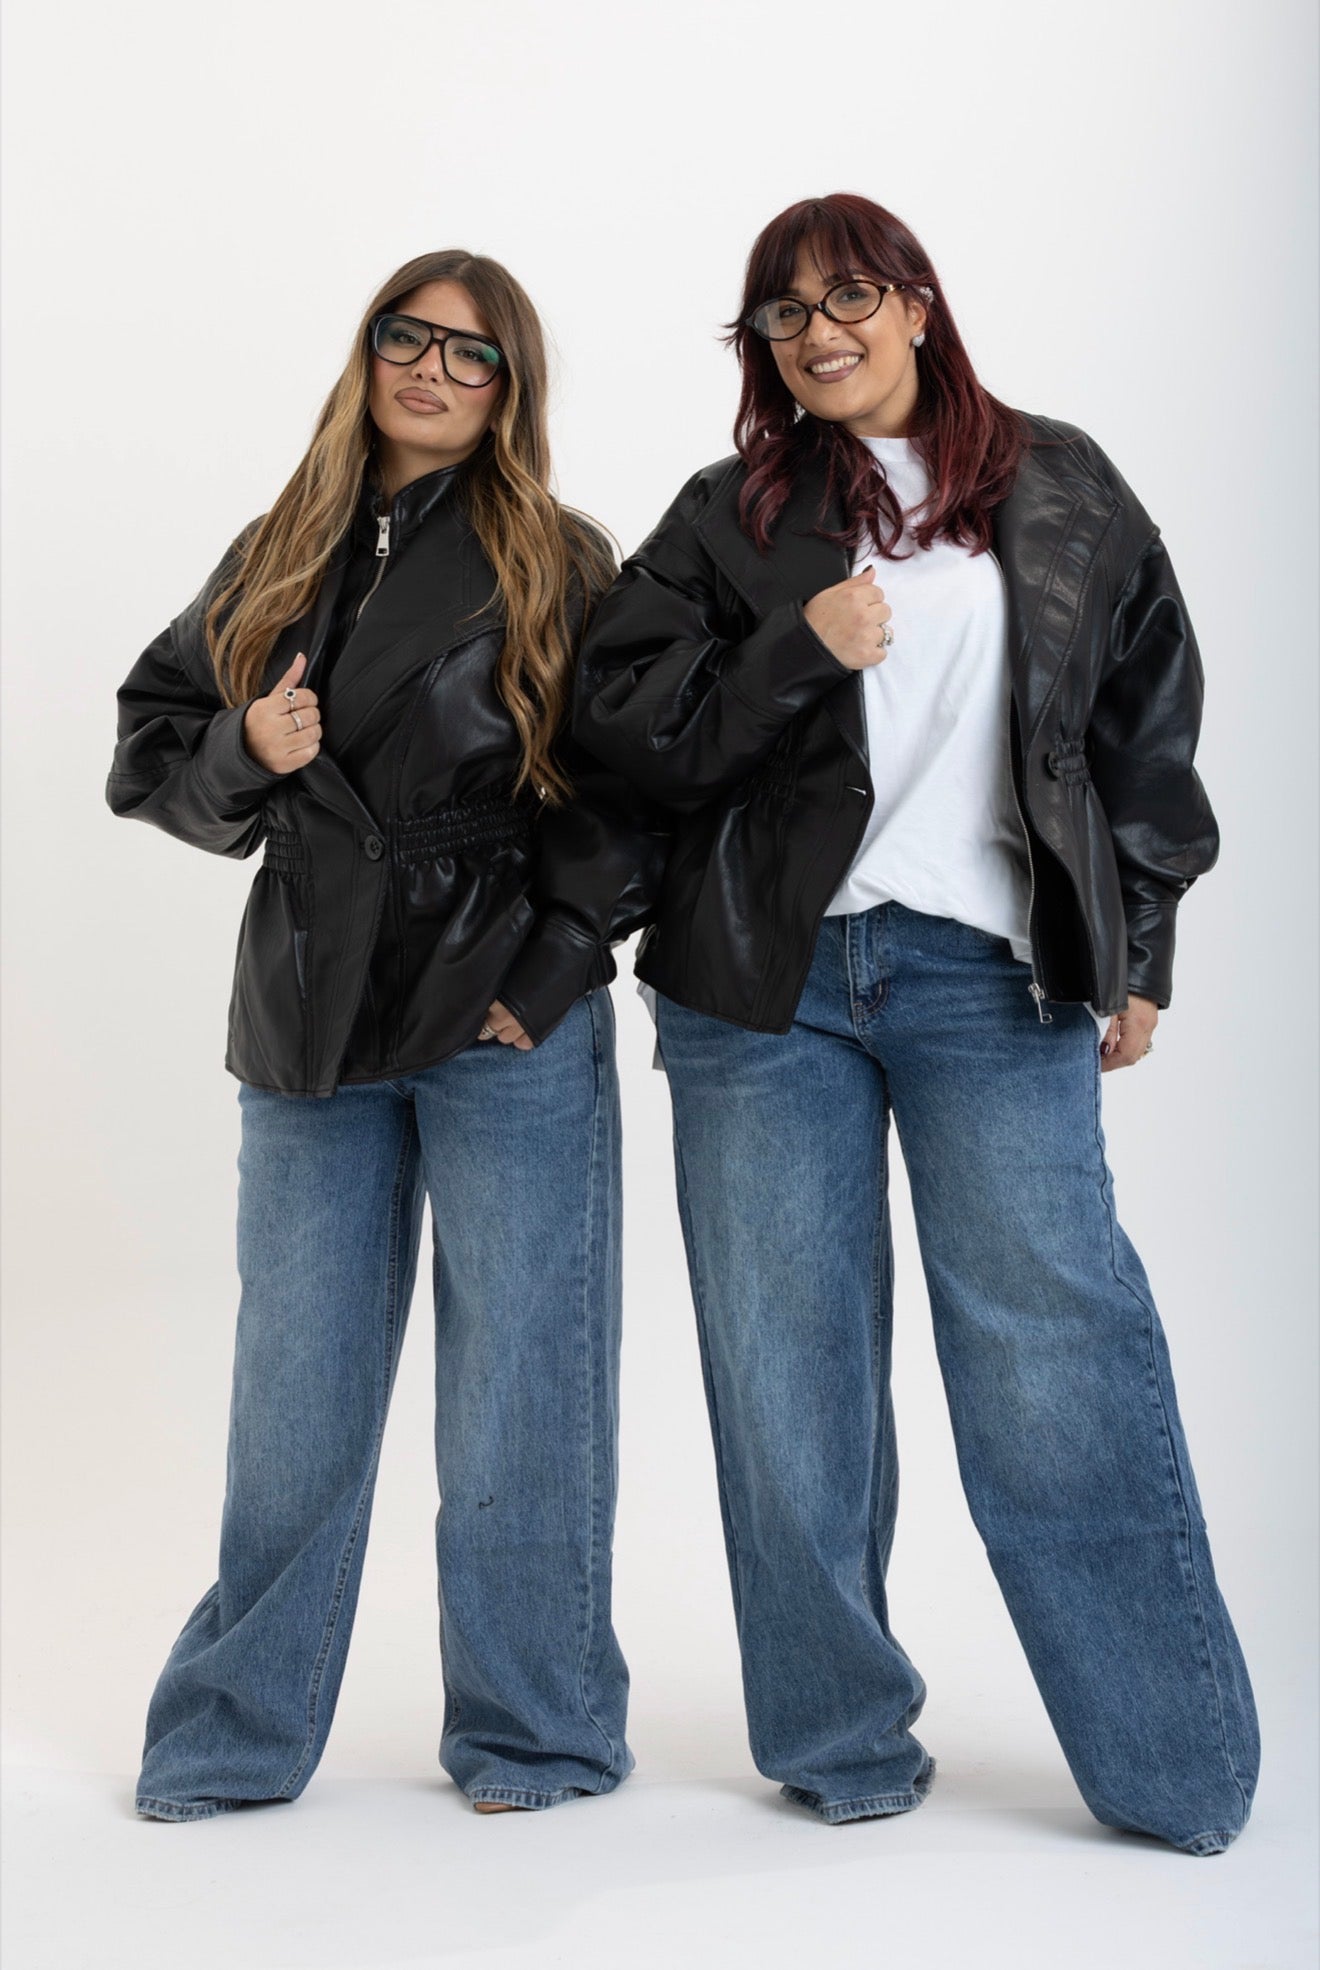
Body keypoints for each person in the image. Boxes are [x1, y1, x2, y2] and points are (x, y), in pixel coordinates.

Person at [573, 193, 1258, 1854]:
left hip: (990, 978)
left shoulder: (1062, 483)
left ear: (920, 305)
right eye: (786, 313)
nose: (822, 332)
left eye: (852, 297)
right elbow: (619, 724)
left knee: (1053, 1353)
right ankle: (840, 1740)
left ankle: (1172, 1767)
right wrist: (792, 651)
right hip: (764, 983)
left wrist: (1142, 942)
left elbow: (1145, 725)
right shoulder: (730, 514)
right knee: (786, 1370)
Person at [107, 249, 664, 1821]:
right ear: (366, 356)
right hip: (310, 1006)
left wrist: (552, 969)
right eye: (405, 337)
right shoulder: (278, 545)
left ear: (509, 391)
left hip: (501, 1009)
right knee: (294, 1389)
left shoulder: (557, 555)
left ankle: (538, 1728)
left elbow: (632, 794)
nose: (430, 368)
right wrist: (243, 747)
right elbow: (149, 749)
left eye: (469, 353)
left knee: (525, 1387)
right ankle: (234, 1730)